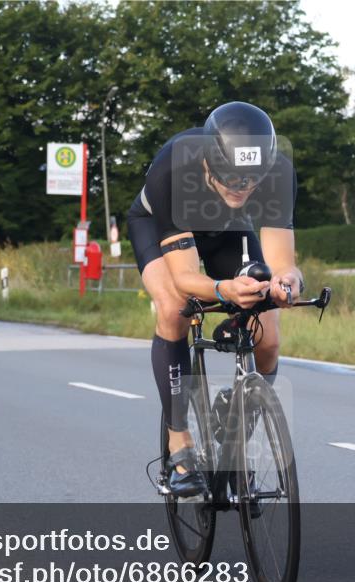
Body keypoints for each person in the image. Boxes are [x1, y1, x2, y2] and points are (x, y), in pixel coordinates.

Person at [127, 101, 303, 497]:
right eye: (230, 180)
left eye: (250, 182)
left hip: (229, 230)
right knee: (175, 308)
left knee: (269, 337)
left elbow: (281, 264)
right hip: (159, 227)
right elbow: (187, 277)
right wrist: (225, 290)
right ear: (207, 163)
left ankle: (237, 450)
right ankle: (179, 443)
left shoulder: (278, 172)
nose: (241, 189)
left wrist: (286, 283)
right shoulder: (173, 167)